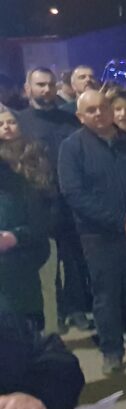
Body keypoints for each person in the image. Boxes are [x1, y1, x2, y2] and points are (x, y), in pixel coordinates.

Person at [58, 90, 126, 375]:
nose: (99, 113)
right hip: (99, 236)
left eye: (102, 107)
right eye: (90, 110)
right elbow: (74, 194)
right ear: (80, 116)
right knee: (106, 296)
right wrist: (119, 221)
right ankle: (112, 351)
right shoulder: (72, 148)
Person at [16, 68, 92, 334]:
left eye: (50, 84)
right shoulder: (19, 121)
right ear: (28, 88)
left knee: (74, 258)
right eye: (40, 84)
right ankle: (54, 312)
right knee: (46, 261)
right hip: (37, 201)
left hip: (70, 199)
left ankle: (76, 308)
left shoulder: (70, 119)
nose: (46, 90)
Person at [0, 107, 53, 330]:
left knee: (45, 296)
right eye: (1, 124)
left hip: (39, 235)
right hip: (9, 240)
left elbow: (49, 194)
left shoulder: (37, 154)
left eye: (11, 122)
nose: (6, 127)